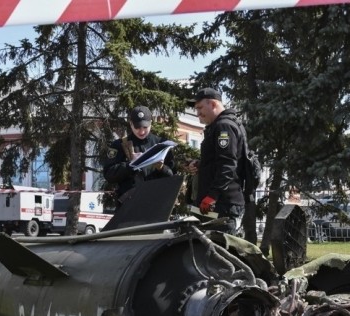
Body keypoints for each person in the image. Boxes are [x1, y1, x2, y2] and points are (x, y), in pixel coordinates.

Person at [184, 88, 246, 235]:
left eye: (200, 108)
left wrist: (212, 195)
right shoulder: (219, 126)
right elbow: (218, 161)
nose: (197, 113)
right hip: (214, 203)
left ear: (212, 104)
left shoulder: (224, 126)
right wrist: (199, 165)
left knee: (218, 252)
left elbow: (228, 165)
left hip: (220, 204)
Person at [103, 106, 175, 207]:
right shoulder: (119, 145)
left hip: (155, 204)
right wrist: (130, 165)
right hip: (129, 204)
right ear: (131, 124)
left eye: (145, 127)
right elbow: (109, 174)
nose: (141, 132)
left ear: (151, 122)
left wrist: (161, 167)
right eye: (137, 127)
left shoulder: (161, 144)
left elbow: (172, 177)